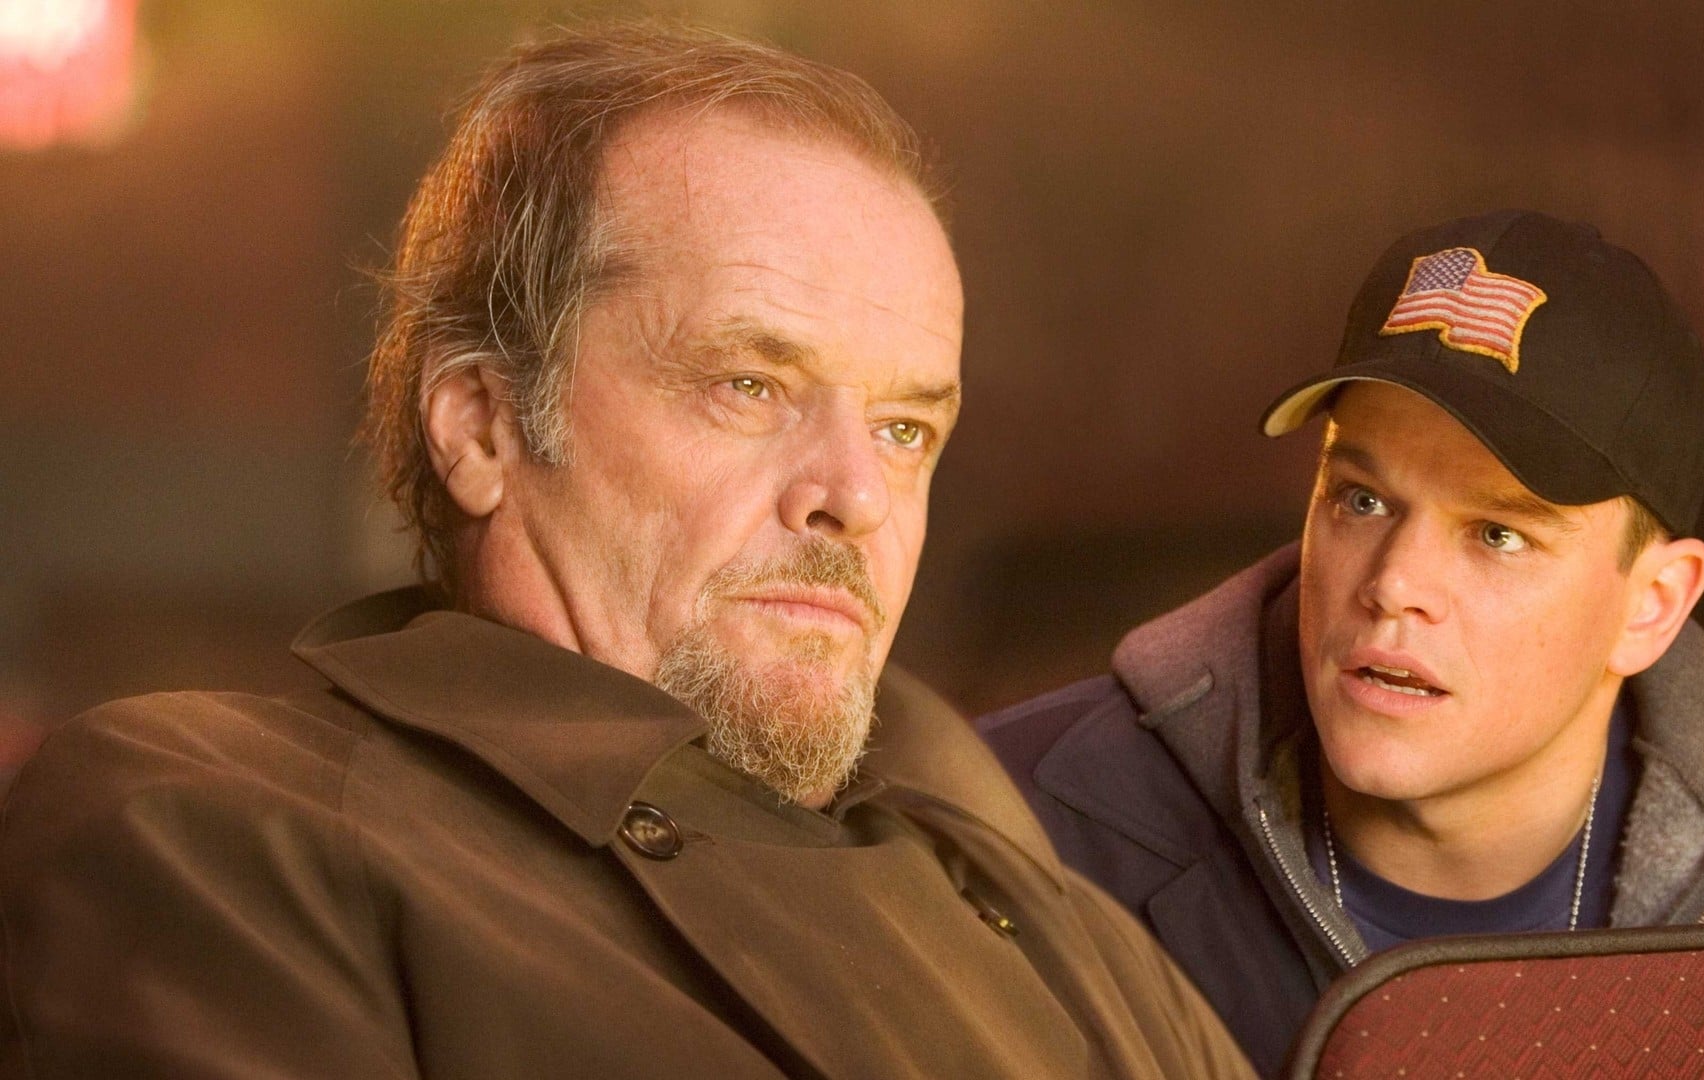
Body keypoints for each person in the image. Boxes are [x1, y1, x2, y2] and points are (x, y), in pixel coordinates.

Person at [0, 24, 1255, 1080]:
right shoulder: (215, 825)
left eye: (904, 427)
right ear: (482, 427)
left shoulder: (1065, 928)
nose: (858, 498)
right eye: (750, 385)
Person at [979, 209, 1704, 1075]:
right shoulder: (1026, 828)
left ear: (1652, 606)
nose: (1394, 584)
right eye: (1361, 500)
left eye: (1499, 535)